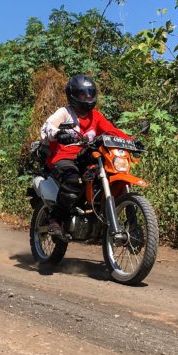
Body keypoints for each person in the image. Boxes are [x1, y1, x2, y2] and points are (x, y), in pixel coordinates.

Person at [39, 73, 129, 237]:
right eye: (82, 94)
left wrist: (131, 141)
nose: (87, 98)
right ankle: (55, 220)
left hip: (86, 156)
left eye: (90, 94)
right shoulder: (64, 112)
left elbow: (112, 131)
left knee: (107, 175)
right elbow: (47, 127)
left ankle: (101, 216)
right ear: (73, 95)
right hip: (63, 157)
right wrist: (59, 134)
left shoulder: (96, 116)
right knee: (73, 181)